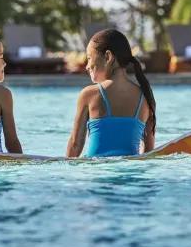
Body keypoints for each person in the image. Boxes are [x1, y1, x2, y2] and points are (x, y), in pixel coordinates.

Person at [66, 29, 156, 157]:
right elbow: (148, 153)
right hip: (131, 175)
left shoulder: (89, 95)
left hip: (98, 172)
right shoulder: (146, 96)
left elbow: (75, 145)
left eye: (89, 58)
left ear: (108, 57)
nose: (87, 66)